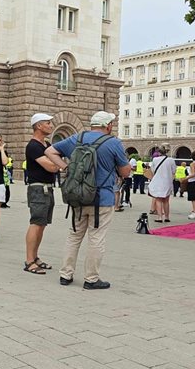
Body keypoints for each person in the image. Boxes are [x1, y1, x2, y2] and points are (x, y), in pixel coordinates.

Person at [45, 111, 131, 290]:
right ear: (108, 126)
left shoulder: (77, 138)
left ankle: (65, 274)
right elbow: (125, 172)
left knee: (74, 235)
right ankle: (91, 279)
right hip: (103, 198)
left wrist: (66, 167)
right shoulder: (113, 143)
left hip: (78, 196)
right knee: (96, 238)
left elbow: (50, 151)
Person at [23, 113, 59, 275]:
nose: (51, 126)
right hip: (38, 188)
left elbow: (54, 163)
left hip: (48, 187)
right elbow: (51, 167)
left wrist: (56, 163)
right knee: (36, 223)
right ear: (38, 126)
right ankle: (29, 260)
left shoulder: (46, 145)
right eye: (48, 123)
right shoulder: (33, 146)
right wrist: (58, 163)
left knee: (42, 224)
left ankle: (35, 257)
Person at [147, 143, 177, 223]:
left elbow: (152, 170)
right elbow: (174, 171)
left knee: (158, 200)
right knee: (166, 201)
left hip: (158, 182)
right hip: (167, 182)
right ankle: (167, 217)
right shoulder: (171, 160)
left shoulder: (155, 160)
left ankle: (159, 217)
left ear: (159, 152)